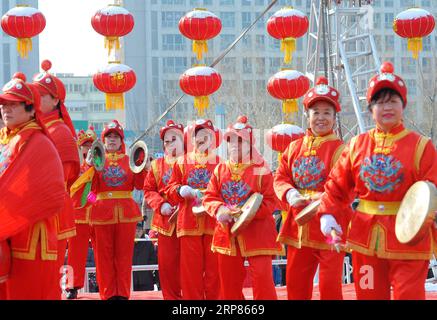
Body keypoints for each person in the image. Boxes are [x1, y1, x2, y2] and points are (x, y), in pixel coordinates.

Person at [318, 62, 437, 300]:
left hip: (410, 240)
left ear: (403, 105)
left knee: (409, 295)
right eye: (380, 102)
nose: (387, 107)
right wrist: (328, 216)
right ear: (371, 108)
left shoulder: (421, 146)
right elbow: (335, 186)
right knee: (369, 293)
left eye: (393, 101)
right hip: (365, 239)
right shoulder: (356, 145)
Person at [273, 76, 350, 300]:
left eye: (327, 112)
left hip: (331, 226)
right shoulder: (294, 147)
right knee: (296, 284)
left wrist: (327, 211)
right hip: (299, 224)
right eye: (316, 112)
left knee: (330, 286)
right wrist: (290, 193)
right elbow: (280, 177)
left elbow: (344, 187)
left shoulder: (342, 150)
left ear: (335, 118)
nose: (321, 118)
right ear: (307, 115)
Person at [202, 115, 283, 300]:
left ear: (250, 144)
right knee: (228, 284)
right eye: (231, 140)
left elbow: (271, 201)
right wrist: (219, 210)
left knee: (263, 280)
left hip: (258, 232)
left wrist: (249, 213)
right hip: (227, 233)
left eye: (240, 141)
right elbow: (209, 197)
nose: (234, 145)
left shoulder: (262, 169)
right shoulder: (220, 169)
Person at [0, 73, 66, 299]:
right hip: (7, 235)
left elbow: (50, 193)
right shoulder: (9, 140)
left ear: (30, 109)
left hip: (31, 242)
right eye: (3, 105)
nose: (6, 110)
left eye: (13, 104)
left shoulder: (38, 143)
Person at [71, 120, 145, 300]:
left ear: (121, 141)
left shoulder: (130, 160)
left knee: (124, 256)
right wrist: (90, 168)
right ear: (103, 141)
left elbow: (140, 185)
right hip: (101, 214)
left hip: (126, 214)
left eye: (116, 137)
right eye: (109, 136)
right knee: (103, 256)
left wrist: (142, 166)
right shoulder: (97, 161)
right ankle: (108, 293)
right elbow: (87, 191)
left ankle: (122, 293)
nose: (112, 140)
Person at [33, 59, 80, 297]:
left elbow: (65, 178)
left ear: (55, 100)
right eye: (34, 94)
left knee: (48, 277)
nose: (36, 99)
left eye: (42, 94)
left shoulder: (59, 132)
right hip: (34, 213)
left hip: (55, 216)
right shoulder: (34, 129)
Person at [165, 119, 222, 300]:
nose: (202, 138)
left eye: (207, 135)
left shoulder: (221, 164)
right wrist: (180, 190)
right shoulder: (181, 162)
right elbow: (170, 189)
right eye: (199, 134)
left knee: (214, 271)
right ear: (193, 138)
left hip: (213, 222)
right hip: (188, 222)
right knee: (190, 272)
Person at [143, 120, 184, 300]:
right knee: (167, 267)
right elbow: (148, 190)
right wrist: (161, 205)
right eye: (166, 141)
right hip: (165, 222)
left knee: (191, 266)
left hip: (189, 221)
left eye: (174, 139)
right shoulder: (156, 165)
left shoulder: (192, 162)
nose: (169, 144)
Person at [65, 127, 97, 299]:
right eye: (85, 145)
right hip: (79, 215)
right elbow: (72, 189)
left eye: (91, 145)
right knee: (75, 254)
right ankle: (72, 287)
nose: (88, 148)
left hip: (100, 215)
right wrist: (93, 199)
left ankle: (106, 283)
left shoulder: (101, 165)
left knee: (104, 253)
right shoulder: (75, 168)